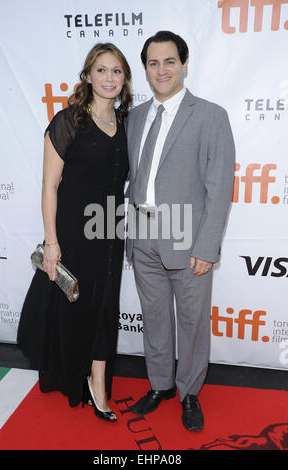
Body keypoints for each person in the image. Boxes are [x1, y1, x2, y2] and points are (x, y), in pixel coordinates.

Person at [126, 31, 235, 431]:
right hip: (143, 239)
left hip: (189, 243)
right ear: (146, 69)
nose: (161, 70)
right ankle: (160, 386)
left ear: (185, 64)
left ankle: (190, 393)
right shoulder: (135, 118)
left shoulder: (210, 115)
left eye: (169, 61)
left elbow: (220, 187)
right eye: (153, 63)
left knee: (191, 322)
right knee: (154, 318)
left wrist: (207, 247)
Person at [17, 43, 132, 422]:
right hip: (74, 229)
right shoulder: (68, 121)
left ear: (124, 79)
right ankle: (77, 374)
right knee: (76, 303)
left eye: (117, 71)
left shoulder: (125, 125)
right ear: (87, 76)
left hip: (111, 229)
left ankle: (98, 380)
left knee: (105, 306)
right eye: (102, 70)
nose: (109, 78)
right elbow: (50, 185)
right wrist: (52, 242)